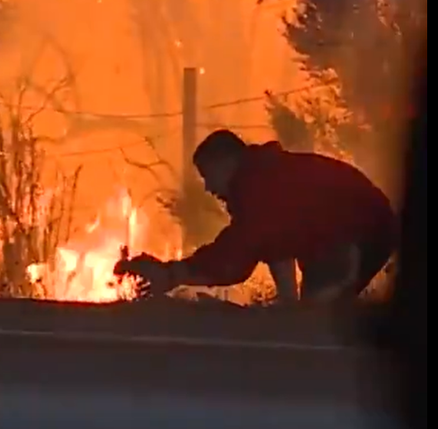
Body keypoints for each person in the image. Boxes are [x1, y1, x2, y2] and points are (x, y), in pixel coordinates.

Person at [114, 129, 397, 302]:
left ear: (226, 163)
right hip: (358, 229)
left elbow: (237, 253)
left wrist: (173, 274)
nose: (208, 187)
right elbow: (276, 246)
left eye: (207, 176)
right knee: (306, 320)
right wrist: (288, 303)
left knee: (315, 323)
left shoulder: (259, 185)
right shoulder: (264, 179)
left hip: (356, 231)